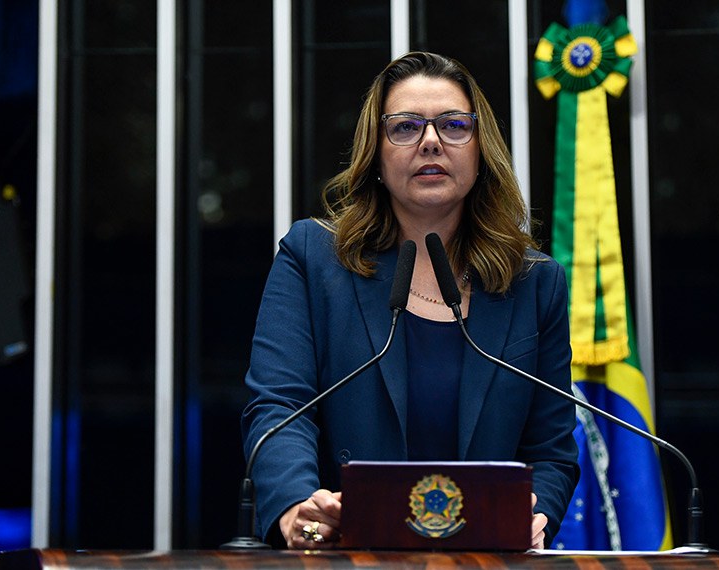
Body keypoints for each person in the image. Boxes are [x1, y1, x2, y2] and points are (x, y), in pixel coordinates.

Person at [241, 51, 579, 550]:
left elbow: (551, 450)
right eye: (405, 127)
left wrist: (539, 516)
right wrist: (298, 509)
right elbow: (278, 407)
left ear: (481, 148)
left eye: (454, 125)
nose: (431, 142)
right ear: (375, 154)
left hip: (485, 559)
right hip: (344, 554)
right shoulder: (313, 258)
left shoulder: (535, 283)